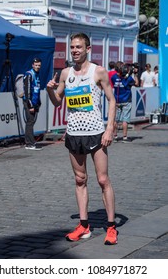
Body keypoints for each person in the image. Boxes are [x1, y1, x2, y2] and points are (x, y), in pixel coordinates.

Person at [47, 33, 117, 245]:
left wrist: (109, 129)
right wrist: (50, 90)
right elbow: (57, 102)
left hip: (96, 132)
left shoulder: (99, 71)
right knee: (80, 180)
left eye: (79, 47)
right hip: (74, 133)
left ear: (88, 49)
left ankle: (112, 227)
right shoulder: (66, 73)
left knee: (103, 180)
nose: (75, 50)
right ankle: (84, 226)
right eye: (72, 47)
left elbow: (111, 100)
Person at [111, 63, 135, 143]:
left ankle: (115, 136)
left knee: (115, 120)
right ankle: (125, 137)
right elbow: (135, 83)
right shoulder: (128, 78)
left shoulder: (114, 77)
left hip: (117, 100)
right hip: (126, 100)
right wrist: (131, 74)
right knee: (125, 119)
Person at [23, 57, 42, 150]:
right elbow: (27, 91)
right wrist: (30, 105)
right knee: (30, 122)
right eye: (36, 65)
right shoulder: (29, 74)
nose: (37, 67)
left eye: (39, 65)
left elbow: (37, 90)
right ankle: (29, 143)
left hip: (34, 102)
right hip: (29, 102)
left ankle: (29, 142)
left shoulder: (37, 74)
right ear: (32, 65)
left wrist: (38, 102)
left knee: (31, 122)